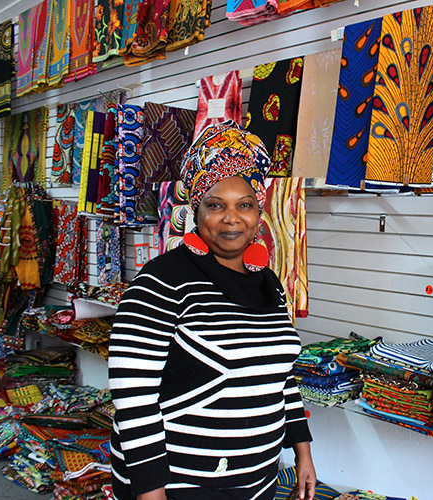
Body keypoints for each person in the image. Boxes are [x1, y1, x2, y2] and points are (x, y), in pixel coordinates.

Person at [108, 121, 316, 500]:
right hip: (182, 484)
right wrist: (151, 493)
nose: (232, 218)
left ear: (260, 212)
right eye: (216, 204)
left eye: (245, 205)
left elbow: (279, 375)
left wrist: (302, 451)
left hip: (257, 479)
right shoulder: (161, 281)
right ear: (195, 210)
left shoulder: (269, 282)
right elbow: (133, 396)